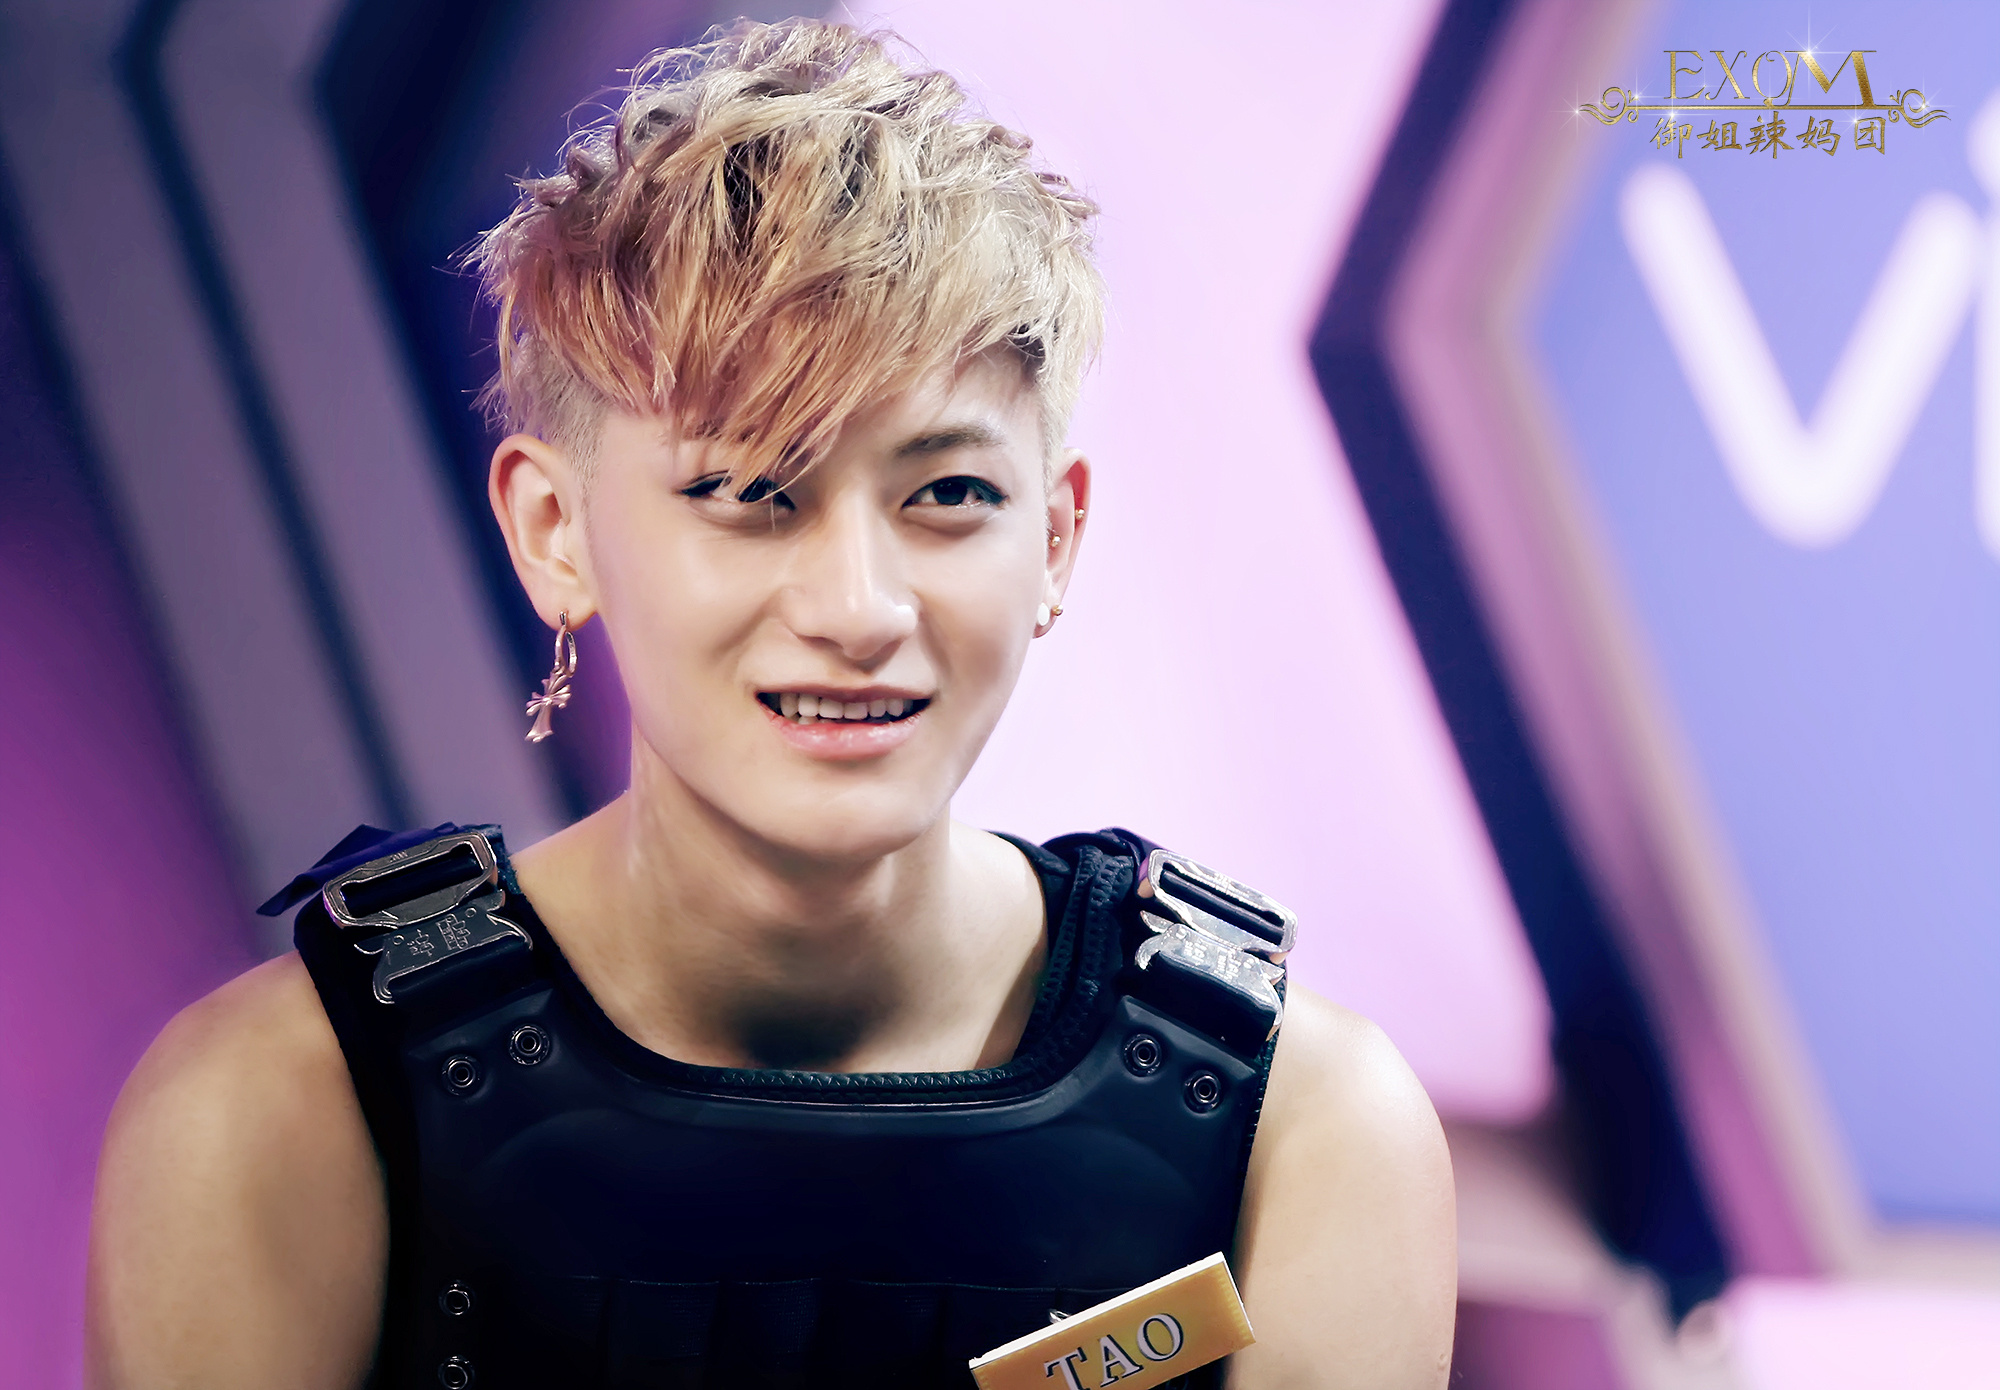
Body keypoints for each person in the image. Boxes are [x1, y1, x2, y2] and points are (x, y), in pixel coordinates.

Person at [85, 19, 1454, 1389]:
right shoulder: (278, 1109)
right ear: (554, 530)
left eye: (949, 493)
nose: (859, 607)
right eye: (748, 492)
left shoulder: (1306, 1130)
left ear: (1054, 538)